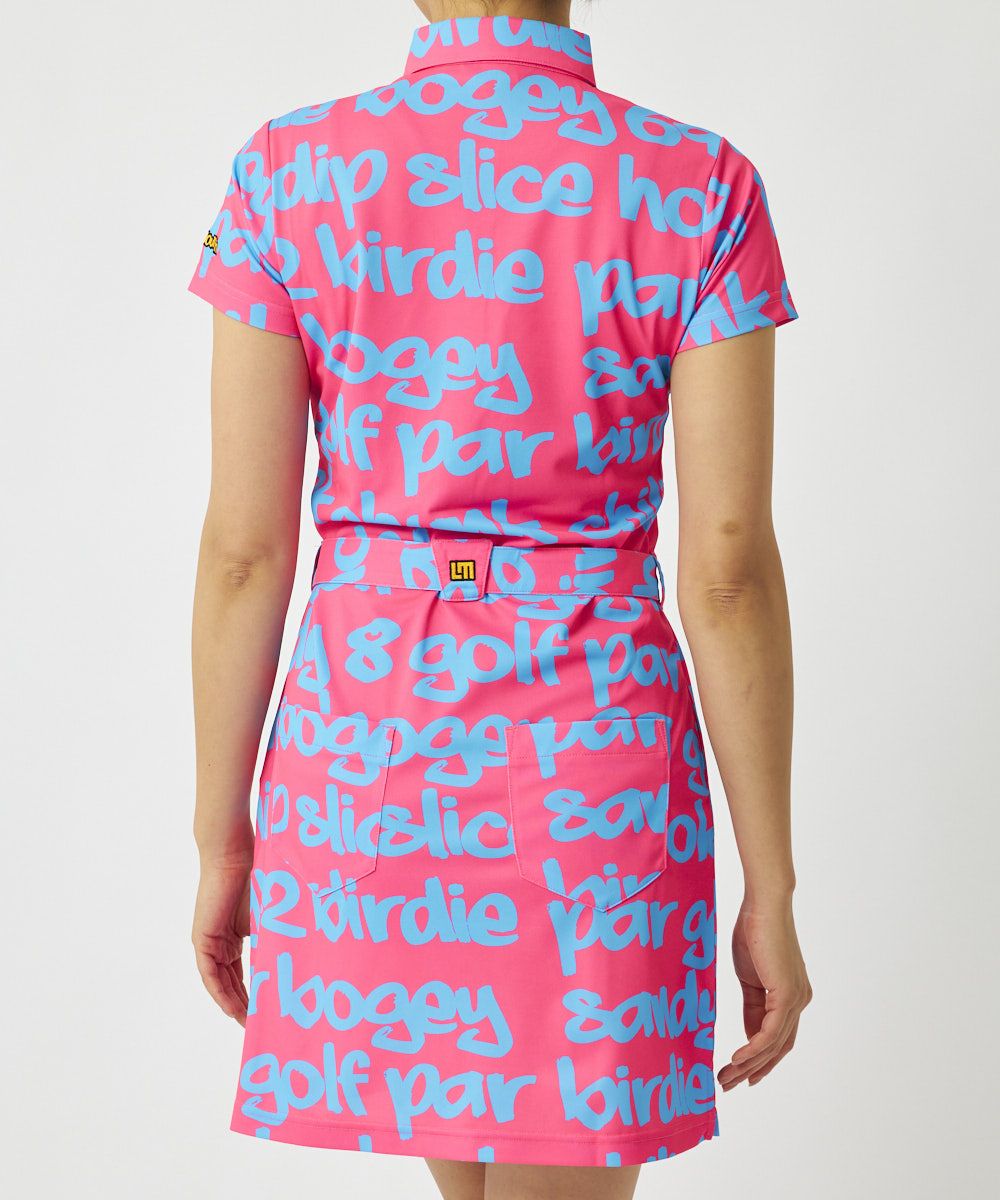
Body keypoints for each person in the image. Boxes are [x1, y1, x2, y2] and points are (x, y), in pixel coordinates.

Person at [186, 1, 812, 1196]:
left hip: (370, 764)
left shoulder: (289, 172)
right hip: (595, 775)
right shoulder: (697, 185)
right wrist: (770, 884)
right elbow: (725, 569)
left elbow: (243, 554)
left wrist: (223, 837)